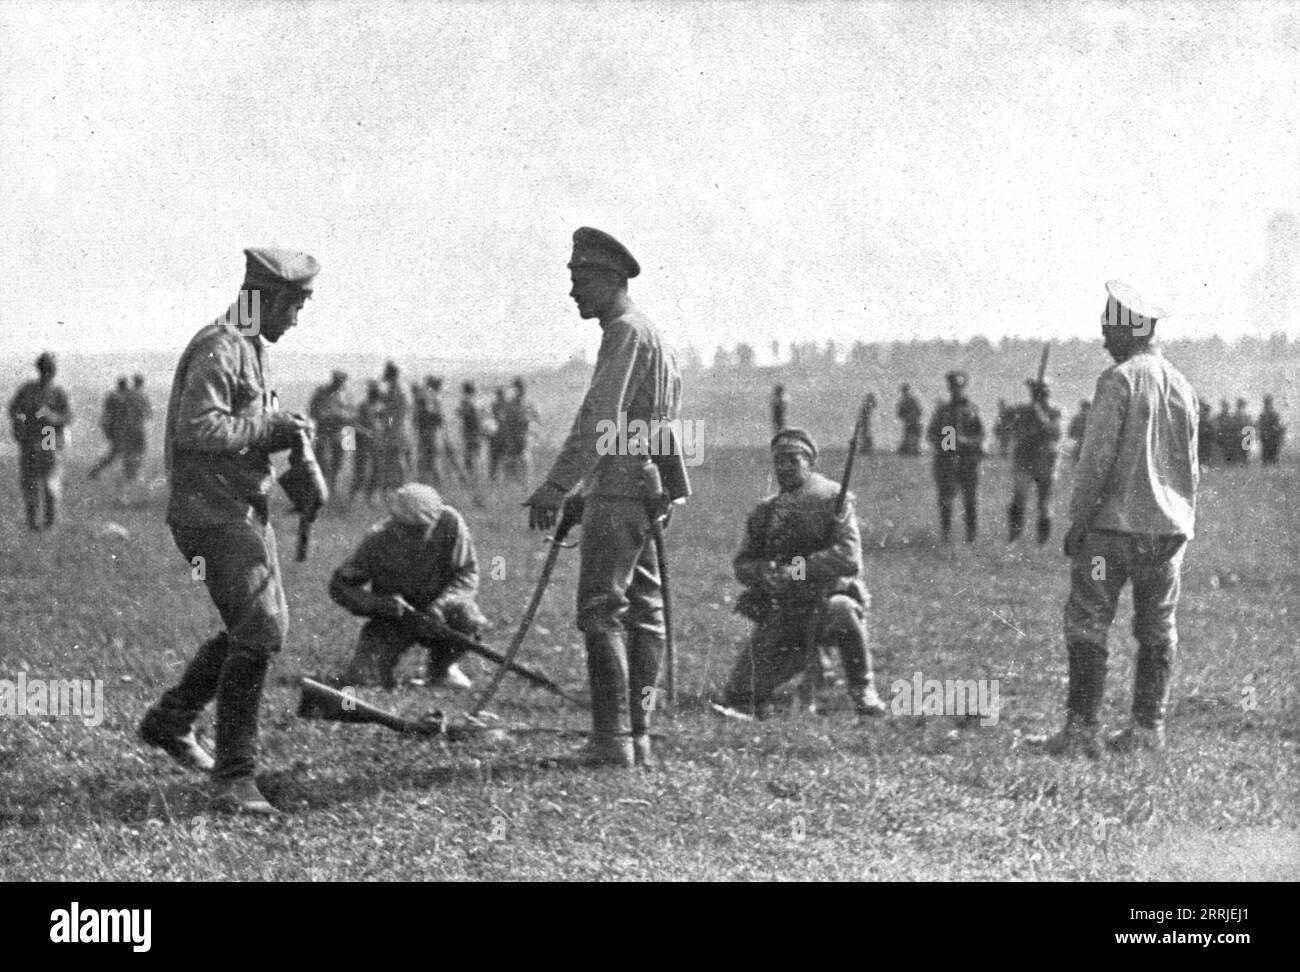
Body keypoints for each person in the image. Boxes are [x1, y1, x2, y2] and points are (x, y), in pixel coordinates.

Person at [138, 246, 320, 814]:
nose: (296, 319)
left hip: (240, 507)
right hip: (211, 513)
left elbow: (242, 425)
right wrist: (270, 426)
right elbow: (198, 427)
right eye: (296, 305)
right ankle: (234, 778)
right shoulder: (221, 346)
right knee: (261, 630)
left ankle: (171, 721)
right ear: (265, 298)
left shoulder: (250, 348)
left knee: (258, 626)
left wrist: (284, 433)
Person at [524, 227, 686, 769]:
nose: (573, 293)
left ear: (609, 279)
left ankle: (612, 740)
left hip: (619, 489)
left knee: (602, 611)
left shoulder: (622, 332)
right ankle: (635, 736)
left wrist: (557, 485)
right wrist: (668, 486)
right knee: (643, 614)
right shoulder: (653, 335)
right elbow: (661, 423)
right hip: (640, 491)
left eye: (579, 280)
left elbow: (601, 418)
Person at [1034, 280, 1198, 758]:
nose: (1104, 338)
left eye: (1110, 328)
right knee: (1158, 627)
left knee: (1087, 621)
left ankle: (1081, 732)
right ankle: (1148, 730)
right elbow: (1190, 469)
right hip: (1167, 534)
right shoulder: (1183, 386)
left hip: (1110, 534)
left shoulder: (1119, 380)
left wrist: (1077, 522)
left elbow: (1094, 462)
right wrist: (1184, 526)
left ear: (1132, 329)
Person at [712, 428, 887, 721]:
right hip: (785, 610)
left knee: (843, 611)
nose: (784, 468)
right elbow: (743, 564)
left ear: (810, 462)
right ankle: (810, 673)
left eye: (793, 461)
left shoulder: (834, 500)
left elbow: (847, 558)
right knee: (740, 693)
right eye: (779, 461)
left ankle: (863, 690)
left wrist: (795, 570)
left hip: (826, 602)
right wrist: (762, 573)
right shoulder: (765, 512)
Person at [329, 483, 483, 691]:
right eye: (405, 528)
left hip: (441, 614)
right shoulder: (377, 539)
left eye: (420, 528)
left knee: (467, 616)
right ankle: (377, 670)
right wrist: (376, 603)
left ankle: (442, 669)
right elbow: (340, 586)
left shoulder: (450, 523)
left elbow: (467, 573)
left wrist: (443, 604)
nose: (412, 535)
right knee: (363, 678)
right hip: (395, 619)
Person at [8, 352, 73, 530]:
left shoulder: (58, 392)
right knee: (30, 480)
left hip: (48, 436)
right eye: (44, 369)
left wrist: (52, 417)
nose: (46, 373)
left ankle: (49, 522)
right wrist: (20, 421)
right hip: (29, 437)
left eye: (49, 369)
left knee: (50, 480)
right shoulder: (27, 389)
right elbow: (15, 410)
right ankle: (32, 521)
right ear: (39, 369)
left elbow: (67, 416)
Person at [926, 371, 984, 542]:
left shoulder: (972, 410)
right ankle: (946, 534)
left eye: (959, 387)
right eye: (953, 387)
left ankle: (971, 536)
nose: (956, 390)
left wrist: (965, 441)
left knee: (970, 500)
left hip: (968, 460)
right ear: (949, 388)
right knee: (945, 499)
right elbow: (931, 434)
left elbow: (980, 435)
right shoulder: (942, 411)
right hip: (946, 460)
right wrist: (947, 441)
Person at [1008, 379, 1063, 543]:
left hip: (1046, 461)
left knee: (1045, 503)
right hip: (1025, 459)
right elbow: (1014, 430)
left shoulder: (1056, 411)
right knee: (1019, 499)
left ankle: (1042, 542)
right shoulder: (1023, 411)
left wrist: (1039, 416)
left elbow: (1055, 433)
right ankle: (1014, 536)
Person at [308, 370, 354, 496]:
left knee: (338, 463)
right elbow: (313, 411)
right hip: (324, 431)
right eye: (338, 381)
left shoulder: (347, 394)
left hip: (342, 432)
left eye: (342, 382)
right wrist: (326, 416)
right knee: (321, 462)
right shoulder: (321, 392)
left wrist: (342, 415)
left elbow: (352, 413)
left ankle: (332, 491)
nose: (340, 384)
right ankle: (319, 491)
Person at [374, 361, 413, 498]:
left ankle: (401, 490)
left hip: (396, 429)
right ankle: (401, 489)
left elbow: (390, 411)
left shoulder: (395, 389)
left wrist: (382, 416)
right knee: (397, 459)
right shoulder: (402, 387)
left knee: (396, 460)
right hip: (401, 428)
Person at [351, 380, 385, 505]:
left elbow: (388, 422)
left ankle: (371, 497)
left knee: (378, 470)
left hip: (377, 442)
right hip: (363, 443)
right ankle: (355, 498)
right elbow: (354, 424)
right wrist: (366, 432)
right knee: (361, 471)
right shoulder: (362, 406)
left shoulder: (382, 407)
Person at [88, 377, 129, 481]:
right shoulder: (120, 397)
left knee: (119, 452)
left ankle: (96, 472)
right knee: (117, 452)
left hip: (113, 427)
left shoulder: (113, 396)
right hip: (117, 428)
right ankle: (95, 472)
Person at [503, 376, 539, 485]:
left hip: (524, 435)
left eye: (519, 388)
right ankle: (513, 484)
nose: (518, 390)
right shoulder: (511, 404)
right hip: (514, 435)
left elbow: (535, 419)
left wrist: (531, 433)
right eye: (517, 388)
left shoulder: (528, 403)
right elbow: (507, 421)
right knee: (511, 461)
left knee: (524, 460)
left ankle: (525, 484)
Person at [119, 373, 153, 486]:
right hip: (141, 426)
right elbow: (149, 412)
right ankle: (138, 475)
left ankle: (128, 475)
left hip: (128, 426)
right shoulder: (144, 395)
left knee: (128, 451)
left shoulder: (128, 394)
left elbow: (122, 411)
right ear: (142, 383)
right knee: (140, 451)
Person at [414, 376, 446, 487]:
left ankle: (434, 483)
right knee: (432, 459)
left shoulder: (429, 396)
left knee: (430, 459)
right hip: (431, 431)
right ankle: (436, 483)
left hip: (429, 432)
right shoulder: (433, 397)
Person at [458, 381, 485, 476]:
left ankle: (472, 476)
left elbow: (462, 413)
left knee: (469, 457)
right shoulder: (477, 401)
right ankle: (476, 475)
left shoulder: (466, 401)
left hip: (470, 432)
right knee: (476, 456)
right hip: (476, 432)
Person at [488, 386, 510, 482]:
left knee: (495, 461)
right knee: (501, 460)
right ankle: (502, 480)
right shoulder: (506, 405)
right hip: (502, 436)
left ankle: (494, 480)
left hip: (497, 437)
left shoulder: (494, 406)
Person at [1258, 394, 1285, 465]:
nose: (1267, 404)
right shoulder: (1265, 415)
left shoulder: (1270, 414)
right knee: (1268, 460)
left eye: (1268, 402)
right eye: (1267, 402)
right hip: (1268, 440)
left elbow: (1277, 427)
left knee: (1270, 459)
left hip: (1271, 439)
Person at [896, 383, 923, 455]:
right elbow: (919, 411)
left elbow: (899, 414)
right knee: (914, 436)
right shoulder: (912, 399)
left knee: (908, 436)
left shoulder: (902, 401)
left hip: (908, 421)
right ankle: (913, 451)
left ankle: (906, 451)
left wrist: (906, 417)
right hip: (914, 420)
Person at [1232, 397, 1254, 465]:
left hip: (1243, 437)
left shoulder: (1241, 415)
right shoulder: (1240, 415)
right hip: (1242, 436)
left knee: (1244, 454)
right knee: (1242, 454)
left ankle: (1244, 465)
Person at [1197, 401, 1216, 466]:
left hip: (1206, 448)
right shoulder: (1199, 423)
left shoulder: (1210, 424)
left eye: (1207, 412)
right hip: (1199, 447)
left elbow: (1212, 437)